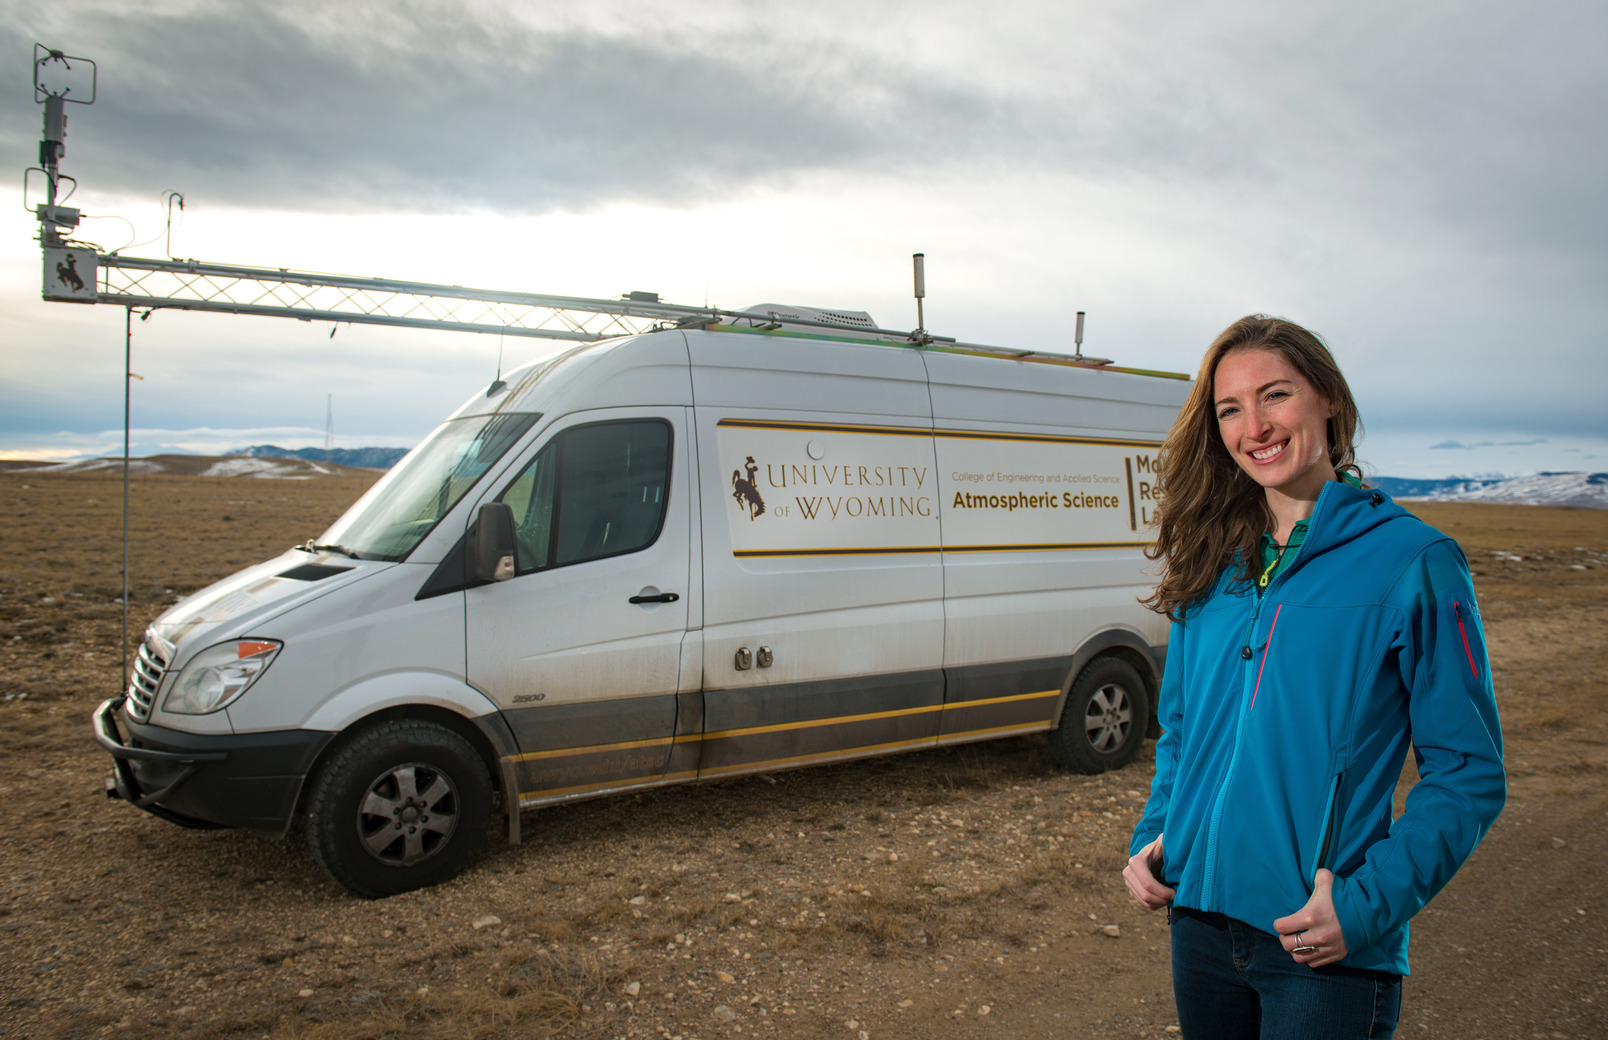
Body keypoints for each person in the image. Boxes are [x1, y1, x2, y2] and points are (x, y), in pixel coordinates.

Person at [1122, 315, 1505, 1040]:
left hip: (1322, 948)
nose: (1255, 426)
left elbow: (1468, 771)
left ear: (1328, 398)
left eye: (1275, 396)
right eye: (1230, 409)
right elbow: (1181, 736)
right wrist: (1154, 838)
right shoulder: (1214, 563)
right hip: (1199, 931)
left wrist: (1364, 907)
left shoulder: (1413, 561)